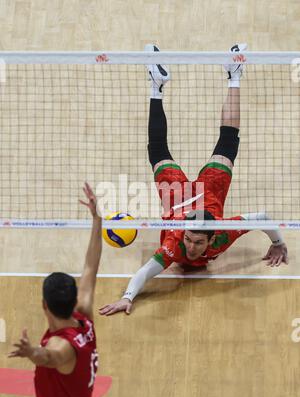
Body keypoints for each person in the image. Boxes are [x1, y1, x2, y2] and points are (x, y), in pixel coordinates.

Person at [99, 44, 288, 317]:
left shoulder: (221, 233)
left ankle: (158, 84)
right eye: (189, 239)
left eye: (197, 243)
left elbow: (264, 218)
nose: (190, 246)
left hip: (176, 195)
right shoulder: (177, 242)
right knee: (227, 141)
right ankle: (233, 75)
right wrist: (127, 297)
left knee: (157, 149)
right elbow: (145, 273)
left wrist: (278, 242)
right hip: (205, 190)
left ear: (211, 240)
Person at [9, 182, 101, 397]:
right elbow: (91, 265)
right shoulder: (84, 316)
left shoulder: (61, 346)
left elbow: (48, 357)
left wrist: (31, 352)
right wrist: (97, 220)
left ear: (44, 305)